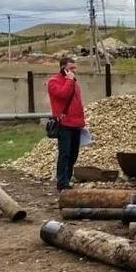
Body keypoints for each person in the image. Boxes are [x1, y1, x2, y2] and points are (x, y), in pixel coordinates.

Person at [47, 56, 86, 191]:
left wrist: (82, 122)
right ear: (63, 68)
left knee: (73, 154)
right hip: (64, 123)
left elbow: (78, 103)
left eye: (75, 68)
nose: (74, 71)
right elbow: (62, 95)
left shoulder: (74, 82)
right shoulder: (54, 82)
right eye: (71, 68)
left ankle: (67, 179)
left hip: (76, 123)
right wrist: (69, 81)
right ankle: (62, 182)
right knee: (65, 153)